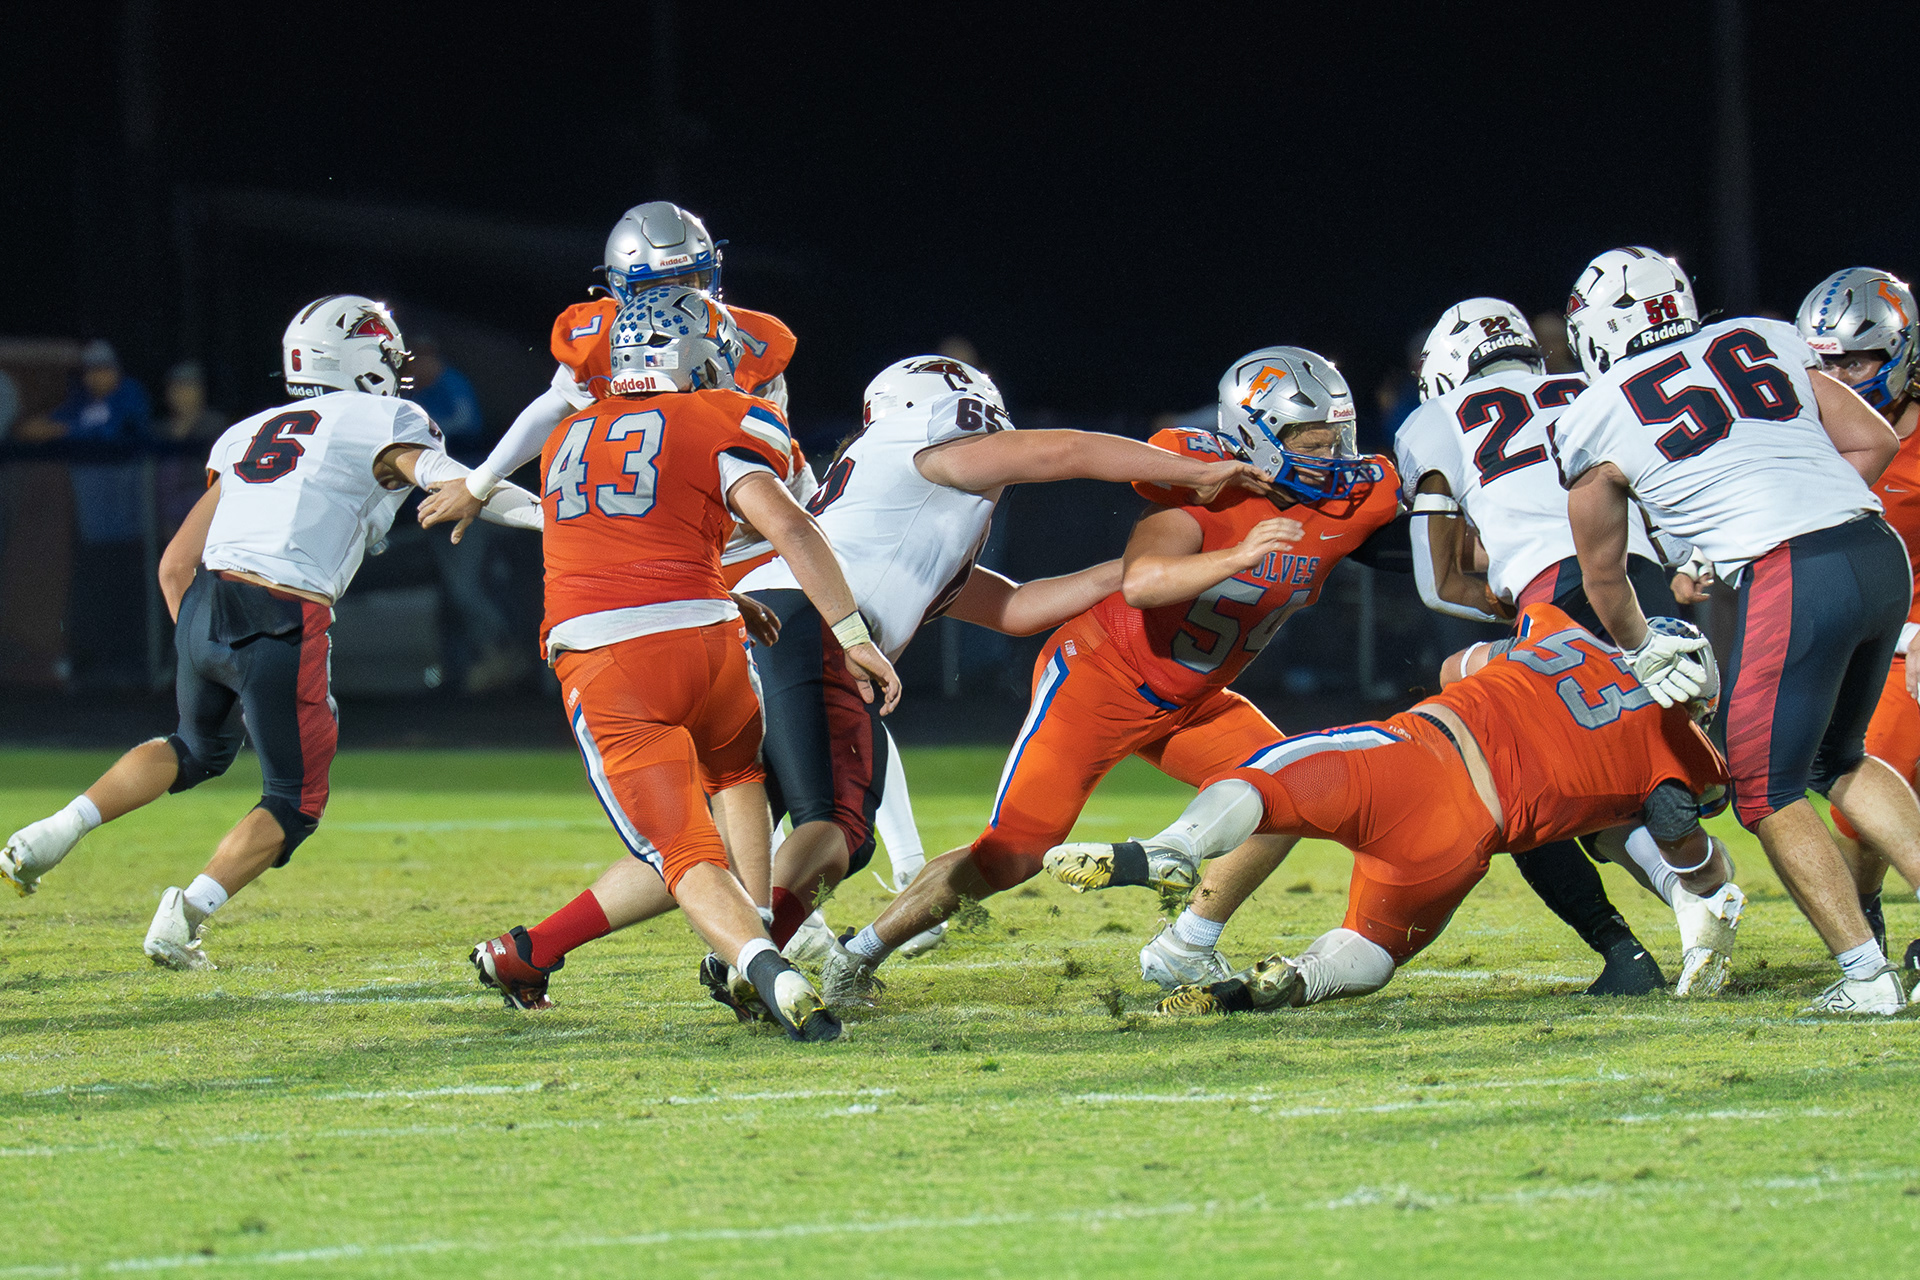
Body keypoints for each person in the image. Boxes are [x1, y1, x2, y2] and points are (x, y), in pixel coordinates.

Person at [818, 347, 1402, 1009]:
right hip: (1099, 679)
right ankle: (856, 955)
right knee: (1012, 853)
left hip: (1194, 700)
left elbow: (1430, 520)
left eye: (1338, 439)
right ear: (1255, 436)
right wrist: (1238, 554)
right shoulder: (1199, 488)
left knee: (1287, 792)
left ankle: (1187, 943)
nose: (1331, 457)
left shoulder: (1359, 498)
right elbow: (1145, 583)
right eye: (1310, 442)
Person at [0, 296, 540, 968]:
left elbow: (174, 565)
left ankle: (53, 832)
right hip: (283, 609)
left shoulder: (246, 433)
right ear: (359, 359)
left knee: (193, 747)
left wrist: (204, 643)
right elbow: (462, 484)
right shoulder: (386, 418)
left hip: (205, 600)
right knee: (296, 799)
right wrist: (553, 521)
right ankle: (185, 914)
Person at [731, 353, 1271, 1013]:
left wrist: (1133, 571)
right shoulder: (926, 453)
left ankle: (739, 947)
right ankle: (749, 956)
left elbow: (1014, 608)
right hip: (805, 628)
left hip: (768, 626)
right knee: (837, 821)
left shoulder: (900, 508)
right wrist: (1198, 471)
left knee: (757, 816)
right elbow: (1066, 451)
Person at [459, 286, 901, 1043]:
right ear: (699, 356)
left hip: (608, 656)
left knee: (684, 852)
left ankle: (763, 966)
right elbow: (792, 527)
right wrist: (852, 632)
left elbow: (605, 542)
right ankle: (754, 930)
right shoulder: (723, 415)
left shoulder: (567, 434)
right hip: (711, 640)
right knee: (739, 779)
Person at [1041, 604, 1736, 1014]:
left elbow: (1454, 668)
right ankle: (1295, 981)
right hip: (1462, 845)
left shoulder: (1561, 632)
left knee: (1270, 775)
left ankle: (1175, 846)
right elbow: (1695, 861)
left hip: (1417, 757)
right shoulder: (1684, 754)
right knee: (1374, 946)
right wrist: (1700, 871)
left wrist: (1517, 675)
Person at [1555, 246, 1919, 1015]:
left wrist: (1644, 647)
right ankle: (1871, 965)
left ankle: (1866, 977)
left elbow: (1604, 576)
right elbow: (1875, 442)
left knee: (1763, 788)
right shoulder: (1762, 335)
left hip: (1796, 574)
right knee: (1839, 758)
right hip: (1877, 550)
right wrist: (1800, 514)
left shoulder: (1592, 414)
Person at [1396, 297, 1718, 995]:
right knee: (1619, 769)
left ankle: (1634, 939)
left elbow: (1437, 582)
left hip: (1556, 603)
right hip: (1641, 586)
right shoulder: (1592, 388)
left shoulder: (1435, 419)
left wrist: (1506, 597)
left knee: (1510, 780)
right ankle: (1691, 818)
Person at [1789, 268, 1920, 970]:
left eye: (1857, 362)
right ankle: (1866, 919)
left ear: (1902, 352)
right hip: (1873, 634)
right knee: (1856, 804)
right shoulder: (1805, 431)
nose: (1838, 377)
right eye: (1826, 363)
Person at [48, 340, 152, 685]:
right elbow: (37, 429)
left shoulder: (130, 395)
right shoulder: (80, 402)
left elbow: (116, 431)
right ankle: (90, 667)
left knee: (130, 597)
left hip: (132, 526)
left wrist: (72, 431)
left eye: (104, 368)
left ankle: (134, 666)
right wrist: (70, 430)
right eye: (91, 369)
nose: (97, 376)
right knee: (93, 596)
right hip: (92, 528)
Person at [155, 361, 229, 538]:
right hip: (167, 508)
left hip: (205, 501)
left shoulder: (215, 424)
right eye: (177, 387)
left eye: (188, 387)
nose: (182, 394)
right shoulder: (159, 430)